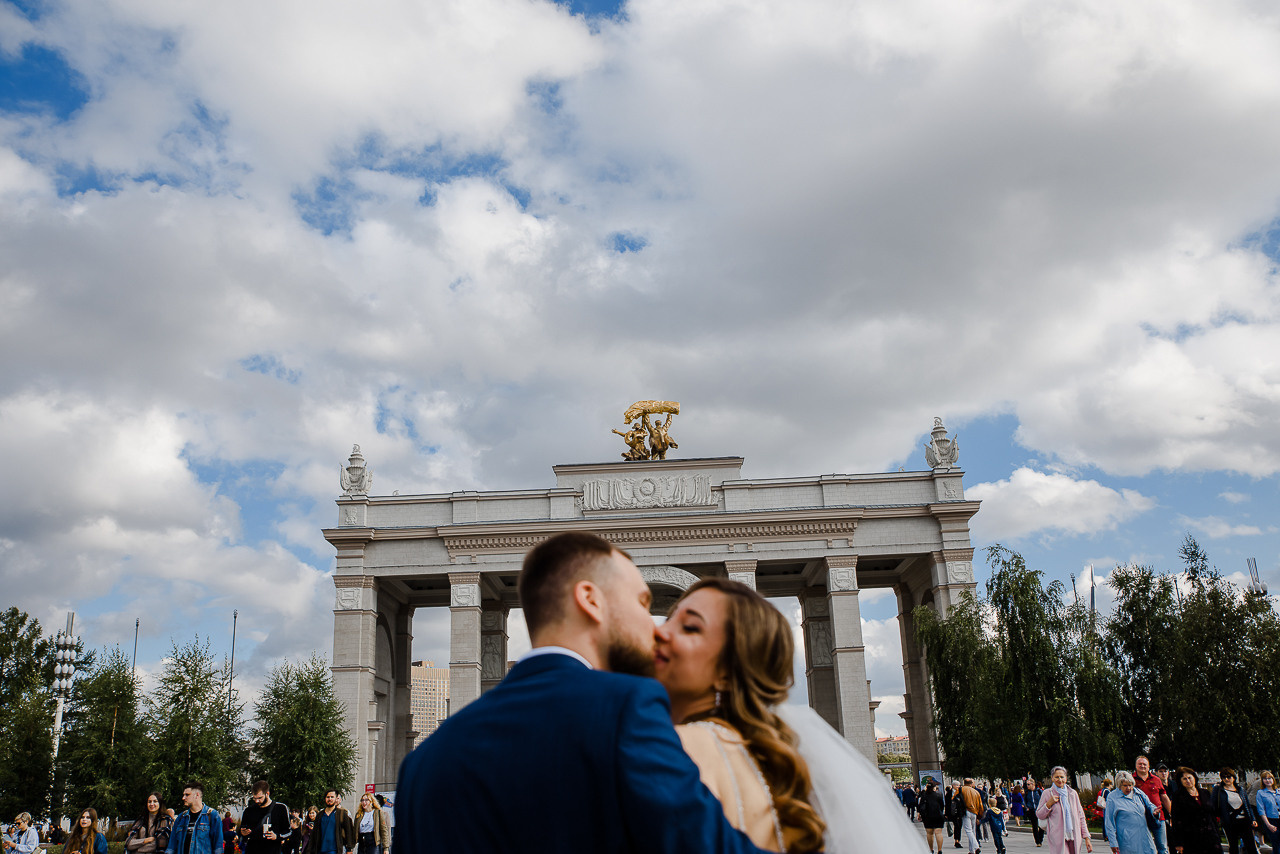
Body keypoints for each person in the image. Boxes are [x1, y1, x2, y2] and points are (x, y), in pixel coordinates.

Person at [394, 531, 770, 854]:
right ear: (590, 600)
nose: (655, 628)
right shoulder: (627, 708)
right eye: (643, 602)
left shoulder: (422, 764)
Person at [654, 577, 824, 851]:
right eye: (669, 620)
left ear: (727, 675)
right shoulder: (754, 758)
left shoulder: (681, 745)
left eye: (689, 627)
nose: (660, 632)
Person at [1036, 766, 1093, 854]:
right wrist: (1048, 804)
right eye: (1057, 777)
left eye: (1062, 777)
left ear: (1066, 778)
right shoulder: (1047, 793)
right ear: (1052, 778)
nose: (1060, 779)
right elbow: (1039, 814)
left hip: (1074, 835)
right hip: (1058, 837)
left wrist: (1086, 837)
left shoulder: (1072, 793)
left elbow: (1080, 816)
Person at [1169, 767, 1221, 854]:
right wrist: (1178, 843)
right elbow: (1176, 820)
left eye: (1189, 778)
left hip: (1211, 836)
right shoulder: (1177, 796)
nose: (1188, 781)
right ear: (1180, 781)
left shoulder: (1205, 793)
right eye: (1184, 779)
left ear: (1194, 778)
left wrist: (1217, 833)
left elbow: (1212, 815)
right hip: (1191, 838)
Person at [1103, 771, 1157, 854]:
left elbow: (1149, 805)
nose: (1128, 788)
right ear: (1119, 785)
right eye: (1125, 785)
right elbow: (1109, 821)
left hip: (1144, 836)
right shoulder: (1112, 797)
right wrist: (1113, 842)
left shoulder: (1138, 793)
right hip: (1127, 840)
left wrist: (1154, 810)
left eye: (1130, 785)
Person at [165, 783, 224, 854]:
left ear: (197, 795)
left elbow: (218, 847)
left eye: (187, 795)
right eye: (184, 795)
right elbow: (172, 846)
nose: (183, 798)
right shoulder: (181, 817)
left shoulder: (212, 815)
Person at [1210, 768, 1258, 854]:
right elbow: (1213, 805)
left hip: (1244, 820)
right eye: (1224, 777)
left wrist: (1253, 819)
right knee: (1233, 846)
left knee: (1251, 846)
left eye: (1228, 777)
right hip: (1230, 822)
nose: (1226, 779)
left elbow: (1247, 805)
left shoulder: (1241, 790)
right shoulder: (1219, 790)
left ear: (1234, 777)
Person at [239, 781, 291, 854]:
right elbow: (242, 830)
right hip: (252, 849)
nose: (257, 801)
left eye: (260, 798)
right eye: (254, 798)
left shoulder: (281, 808)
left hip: (273, 850)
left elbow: (288, 831)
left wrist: (277, 836)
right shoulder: (249, 811)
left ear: (267, 794)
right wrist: (243, 832)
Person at [1135, 757, 1172, 854]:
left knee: (1163, 848)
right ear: (1136, 766)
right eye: (1140, 764)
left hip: (1158, 817)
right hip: (1139, 818)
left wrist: (1172, 814)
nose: (1142, 766)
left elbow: (1164, 797)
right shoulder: (1131, 780)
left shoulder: (1156, 779)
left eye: (1144, 764)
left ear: (1148, 766)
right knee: (1144, 847)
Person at [1254, 771, 1280, 853]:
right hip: (1271, 820)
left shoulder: (1278, 791)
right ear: (1262, 781)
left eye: (1269, 778)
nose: (1268, 780)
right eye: (1265, 779)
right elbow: (1261, 810)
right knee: (1276, 844)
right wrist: (1268, 825)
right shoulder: (1261, 793)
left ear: (1273, 779)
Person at [922, 779, 948, 853]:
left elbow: (921, 806)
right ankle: (939, 850)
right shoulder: (939, 794)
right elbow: (942, 806)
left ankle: (931, 849)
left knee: (929, 833)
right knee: (938, 833)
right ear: (934, 787)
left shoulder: (924, 795)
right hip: (938, 815)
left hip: (928, 816)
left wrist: (921, 815)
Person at [1028, 778, 1046, 847]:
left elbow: (1044, 799)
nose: (1027, 786)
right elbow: (1025, 800)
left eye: (1029, 784)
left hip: (1040, 809)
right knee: (1034, 826)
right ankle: (1037, 841)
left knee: (1041, 825)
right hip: (1032, 810)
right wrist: (1027, 807)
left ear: (1033, 784)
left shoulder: (1039, 791)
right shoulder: (1028, 792)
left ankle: (1040, 838)